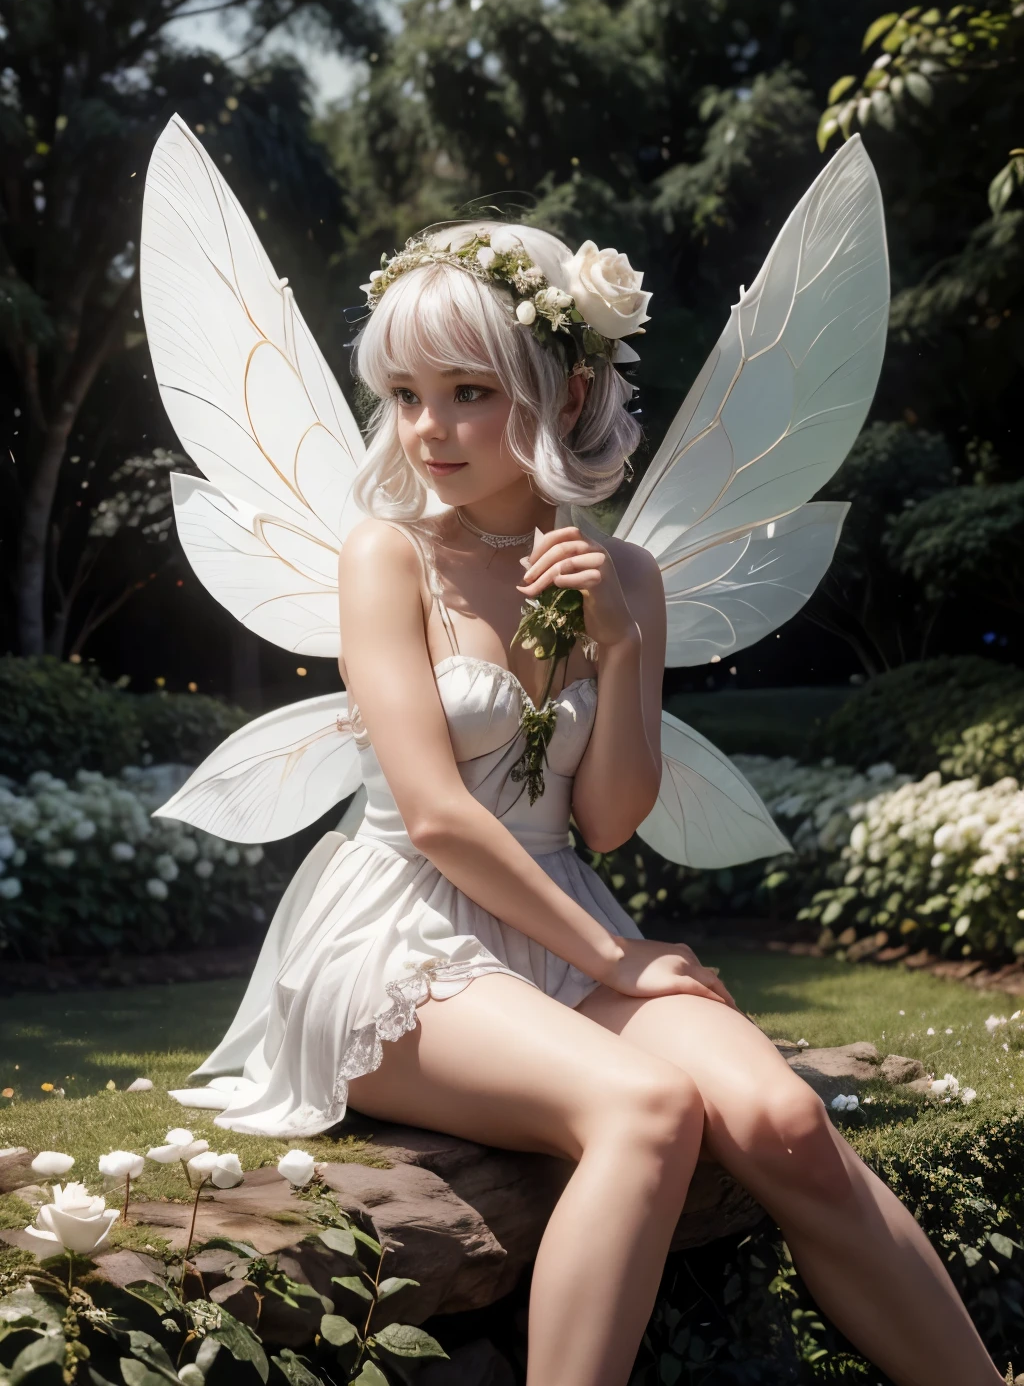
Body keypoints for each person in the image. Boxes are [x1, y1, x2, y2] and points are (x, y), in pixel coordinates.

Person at [141, 119, 1002, 1386]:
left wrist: (620, 645)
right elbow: (432, 812)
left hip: (558, 914)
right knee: (647, 1111)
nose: (429, 430)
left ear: (567, 393)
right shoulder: (387, 557)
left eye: (470, 393)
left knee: (778, 1117)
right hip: (394, 941)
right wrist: (624, 959)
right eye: (406, 395)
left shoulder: (628, 573)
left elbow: (607, 818)